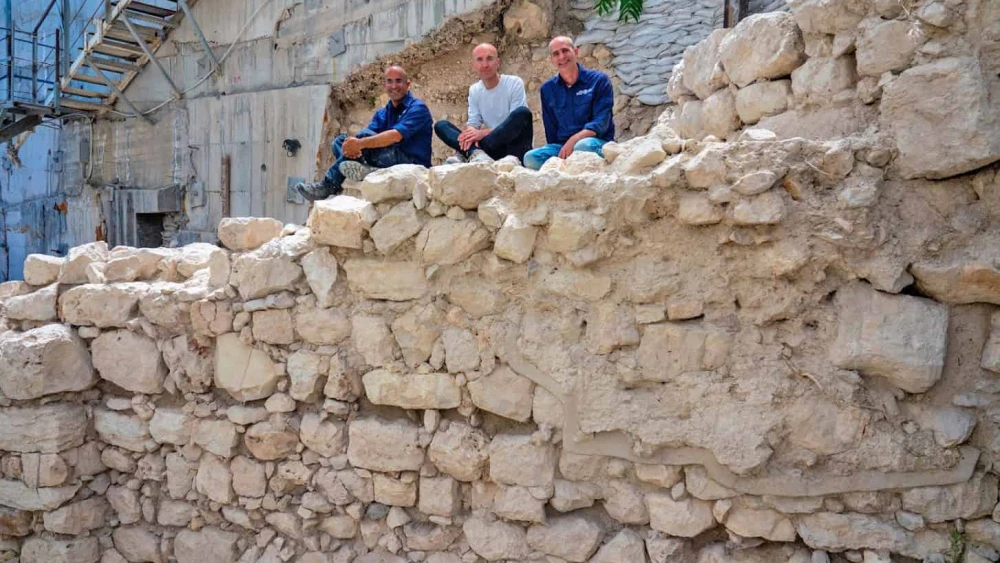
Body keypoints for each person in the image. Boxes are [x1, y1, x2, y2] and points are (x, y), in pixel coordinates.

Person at [296, 65, 433, 201]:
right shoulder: (383, 112)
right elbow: (368, 136)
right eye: (389, 81)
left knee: (362, 139)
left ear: (407, 84)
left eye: (398, 81)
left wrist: (359, 144)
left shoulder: (417, 108)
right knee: (340, 142)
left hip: (411, 161)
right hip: (388, 157)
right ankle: (368, 169)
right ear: (384, 85)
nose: (394, 86)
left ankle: (329, 185)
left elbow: (395, 136)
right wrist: (356, 145)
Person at [523, 36, 614, 170]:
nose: (561, 57)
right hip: (563, 148)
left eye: (565, 51)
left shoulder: (599, 81)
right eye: (556, 54)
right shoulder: (548, 89)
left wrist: (574, 140)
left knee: (582, 146)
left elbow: (601, 122)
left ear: (575, 52)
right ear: (552, 60)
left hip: (594, 143)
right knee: (530, 158)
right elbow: (551, 130)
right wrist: (559, 153)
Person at [433, 43, 533, 164]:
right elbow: (473, 122)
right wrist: (471, 135)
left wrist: (481, 133)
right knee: (441, 126)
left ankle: (467, 153)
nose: (485, 65)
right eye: (479, 60)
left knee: (522, 112)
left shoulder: (514, 83)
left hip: (514, 146)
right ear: (473, 65)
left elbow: (514, 124)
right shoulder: (474, 90)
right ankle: (473, 152)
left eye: (489, 59)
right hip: (491, 148)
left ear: (498, 62)